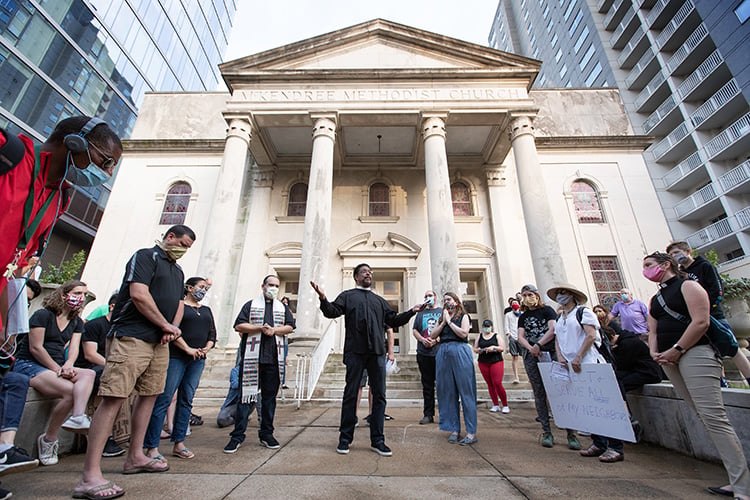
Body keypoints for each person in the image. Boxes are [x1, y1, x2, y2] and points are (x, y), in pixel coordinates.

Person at [74, 224, 195, 500]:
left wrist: (172, 328)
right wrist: (165, 324)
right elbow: (139, 294)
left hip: (159, 342)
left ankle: (136, 455)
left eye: (188, 248)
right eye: (182, 243)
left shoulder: (177, 271)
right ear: (170, 237)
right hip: (132, 336)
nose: (183, 250)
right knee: (113, 398)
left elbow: (178, 304)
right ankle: (90, 474)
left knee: (151, 395)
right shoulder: (145, 257)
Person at [643, 251, 750, 499]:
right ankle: (735, 478)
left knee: (714, 417)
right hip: (668, 360)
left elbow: (700, 322)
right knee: (702, 416)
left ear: (665, 265)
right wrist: (655, 352)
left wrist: (677, 349)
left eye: (649, 265)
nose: (646, 270)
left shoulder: (689, 285)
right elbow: (653, 330)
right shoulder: (656, 298)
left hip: (695, 353)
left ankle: (743, 488)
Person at [0, 117, 121, 329]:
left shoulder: (60, 198)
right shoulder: (7, 153)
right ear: (75, 142)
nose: (108, 173)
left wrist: (6, 327)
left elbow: (14, 268)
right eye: (107, 162)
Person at [311, 263, 422, 457]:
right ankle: (345, 439)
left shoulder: (379, 301)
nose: (368, 274)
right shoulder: (347, 296)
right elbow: (332, 312)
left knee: (379, 395)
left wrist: (412, 311)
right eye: (364, 272)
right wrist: (322, 298)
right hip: (355, 352)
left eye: (370, 272)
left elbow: (394, 320)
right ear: (356, 277)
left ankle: (377, 440)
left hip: (377, 354)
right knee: (351, 394)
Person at [12, 280, 96, 465]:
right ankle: (49, 439)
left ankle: (77, 417)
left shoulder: (75, 322)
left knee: (89, 374)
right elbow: (36, 348)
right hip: (30, 365)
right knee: (68, 391)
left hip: (55, 365)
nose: (81, 298)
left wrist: (69, 364)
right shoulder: (42, 315)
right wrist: (58, 369)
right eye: (77, 293)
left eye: (83, 294)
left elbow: (74, 348)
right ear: (63, 295)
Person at [547, 283, 624, 463]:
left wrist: (579, 356)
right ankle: (598, 442)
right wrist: (561, 357)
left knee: (603, 405)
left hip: (589, 363)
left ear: (572, 295)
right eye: (557, 293)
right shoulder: (561, 317)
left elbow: (591, 335)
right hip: (571, 366)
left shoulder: (583, 312)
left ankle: (615, 446)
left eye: (563, 293)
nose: (560, 296)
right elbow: (558, 338)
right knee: (588, 406)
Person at [146, 277, 215, 460]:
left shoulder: (206, 310)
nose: (203, 290)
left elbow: (212, 333)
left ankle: (179, 442)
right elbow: (173, 329)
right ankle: (152, 446)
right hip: (177, 357)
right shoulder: (179, 307)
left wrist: (206, 348)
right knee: (165, 398)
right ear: (190, 288)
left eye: (205, 288)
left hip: (198, 359)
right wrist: (187, 349)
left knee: (186, 400)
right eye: (201, 287)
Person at [223, 275, 294, 454]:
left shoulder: (282, 307)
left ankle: (267, 434)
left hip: (273, 360)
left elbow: (290, 327)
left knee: (269, 400)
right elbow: (239, 325)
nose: (274, 289)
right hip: (252, 359)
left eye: (277, 286)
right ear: (263, 286)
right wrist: (259, 328)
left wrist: (274, 330)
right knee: (245, 399)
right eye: (271, 285)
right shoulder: (250, 305)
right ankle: (237, 436)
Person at [666, 240, 750, 386]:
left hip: (714, 316)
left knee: (733, 349)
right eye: (672, 254)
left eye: (676, 252)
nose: (675, 256)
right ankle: (722, 382)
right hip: (694, 320)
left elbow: (717, 291)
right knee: (712, 352)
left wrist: (706, 309)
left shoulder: (705, 266)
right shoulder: (681, 274)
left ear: (687, 251)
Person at [516, 284, 580, 450]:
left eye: (530, 294)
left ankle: (570, 433)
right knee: (539, 392)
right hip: (532, 356)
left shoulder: (548, 311)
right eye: (524, 295)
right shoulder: (523, 316)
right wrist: (530, 348)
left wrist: (538, 344)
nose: (527, 297)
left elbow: (553, 329)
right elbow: (520, 336)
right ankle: (546, 431)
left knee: (559, 391)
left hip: (549, 353)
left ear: (537, 295)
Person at [75, 293, 126, 458]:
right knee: (111, 387)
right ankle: (104, 439)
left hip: (109, 368)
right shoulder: (95, 325)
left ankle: (119, 434)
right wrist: (114, 367)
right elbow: (90, 354)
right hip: (90, 369)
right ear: (113, 307)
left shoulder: (121, 328)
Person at [430, 292, 478, 445]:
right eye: (444, 301)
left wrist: (450, 322)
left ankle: (471, 432)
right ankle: (453, 429)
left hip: (460, 350)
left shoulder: (463, 316)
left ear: (456, 302)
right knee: (447, 392)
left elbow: (463, 333)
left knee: (466, 391)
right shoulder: (441, 318)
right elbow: (432, 335)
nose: (446, 302)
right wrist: (444, 322)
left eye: (449, 300)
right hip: (443, 351)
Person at [411, 290, 441, 424]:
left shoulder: (441, 312)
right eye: (426, 296)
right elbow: (415, 330)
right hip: (423, 353)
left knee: (442, 385)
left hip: (438, 353)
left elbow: (445, 328)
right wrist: (423, 340)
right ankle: (428, 414)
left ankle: (445, 414)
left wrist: (436, 340)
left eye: (430, 295)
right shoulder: (421, 313)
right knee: (427, 385)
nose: (427, 298)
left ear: (435, 297)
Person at [474, 319, 509, 414]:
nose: (486, 328)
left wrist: (493, 348)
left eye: (488, 326)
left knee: (497, 382)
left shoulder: (496, 336)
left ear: (492, 326)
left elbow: (502, 348)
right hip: (483, 361)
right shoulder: (480, 336)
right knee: (490, 384)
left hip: (495, 361)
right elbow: (475, 348)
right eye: (485, 326)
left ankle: (505, 404)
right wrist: (480, 350)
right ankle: (495, 404)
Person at [504, 298, 522, 384]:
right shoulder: (508, 315)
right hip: (513, 336)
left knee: (525, 357)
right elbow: (506, 325)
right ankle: (516, 376)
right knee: (514, 357)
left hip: (521, 337)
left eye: (516, 303)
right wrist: (508, 335)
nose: (514, 304)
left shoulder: (522, 314)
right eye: (513, 303)